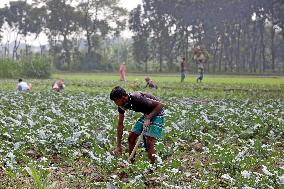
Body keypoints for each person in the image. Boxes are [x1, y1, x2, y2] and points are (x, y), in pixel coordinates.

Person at [110, 86, 164, 164]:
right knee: (131, 138)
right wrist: (118, 145)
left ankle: (153, 166)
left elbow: (161, 104)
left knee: (149, 140)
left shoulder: (137, 98)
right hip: (147, 114)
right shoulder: (122, 105)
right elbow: (120, 124)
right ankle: (131, 163)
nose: (115, 103)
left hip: (157, 112)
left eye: (116, 101)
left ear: (123, 98)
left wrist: (149, 118)